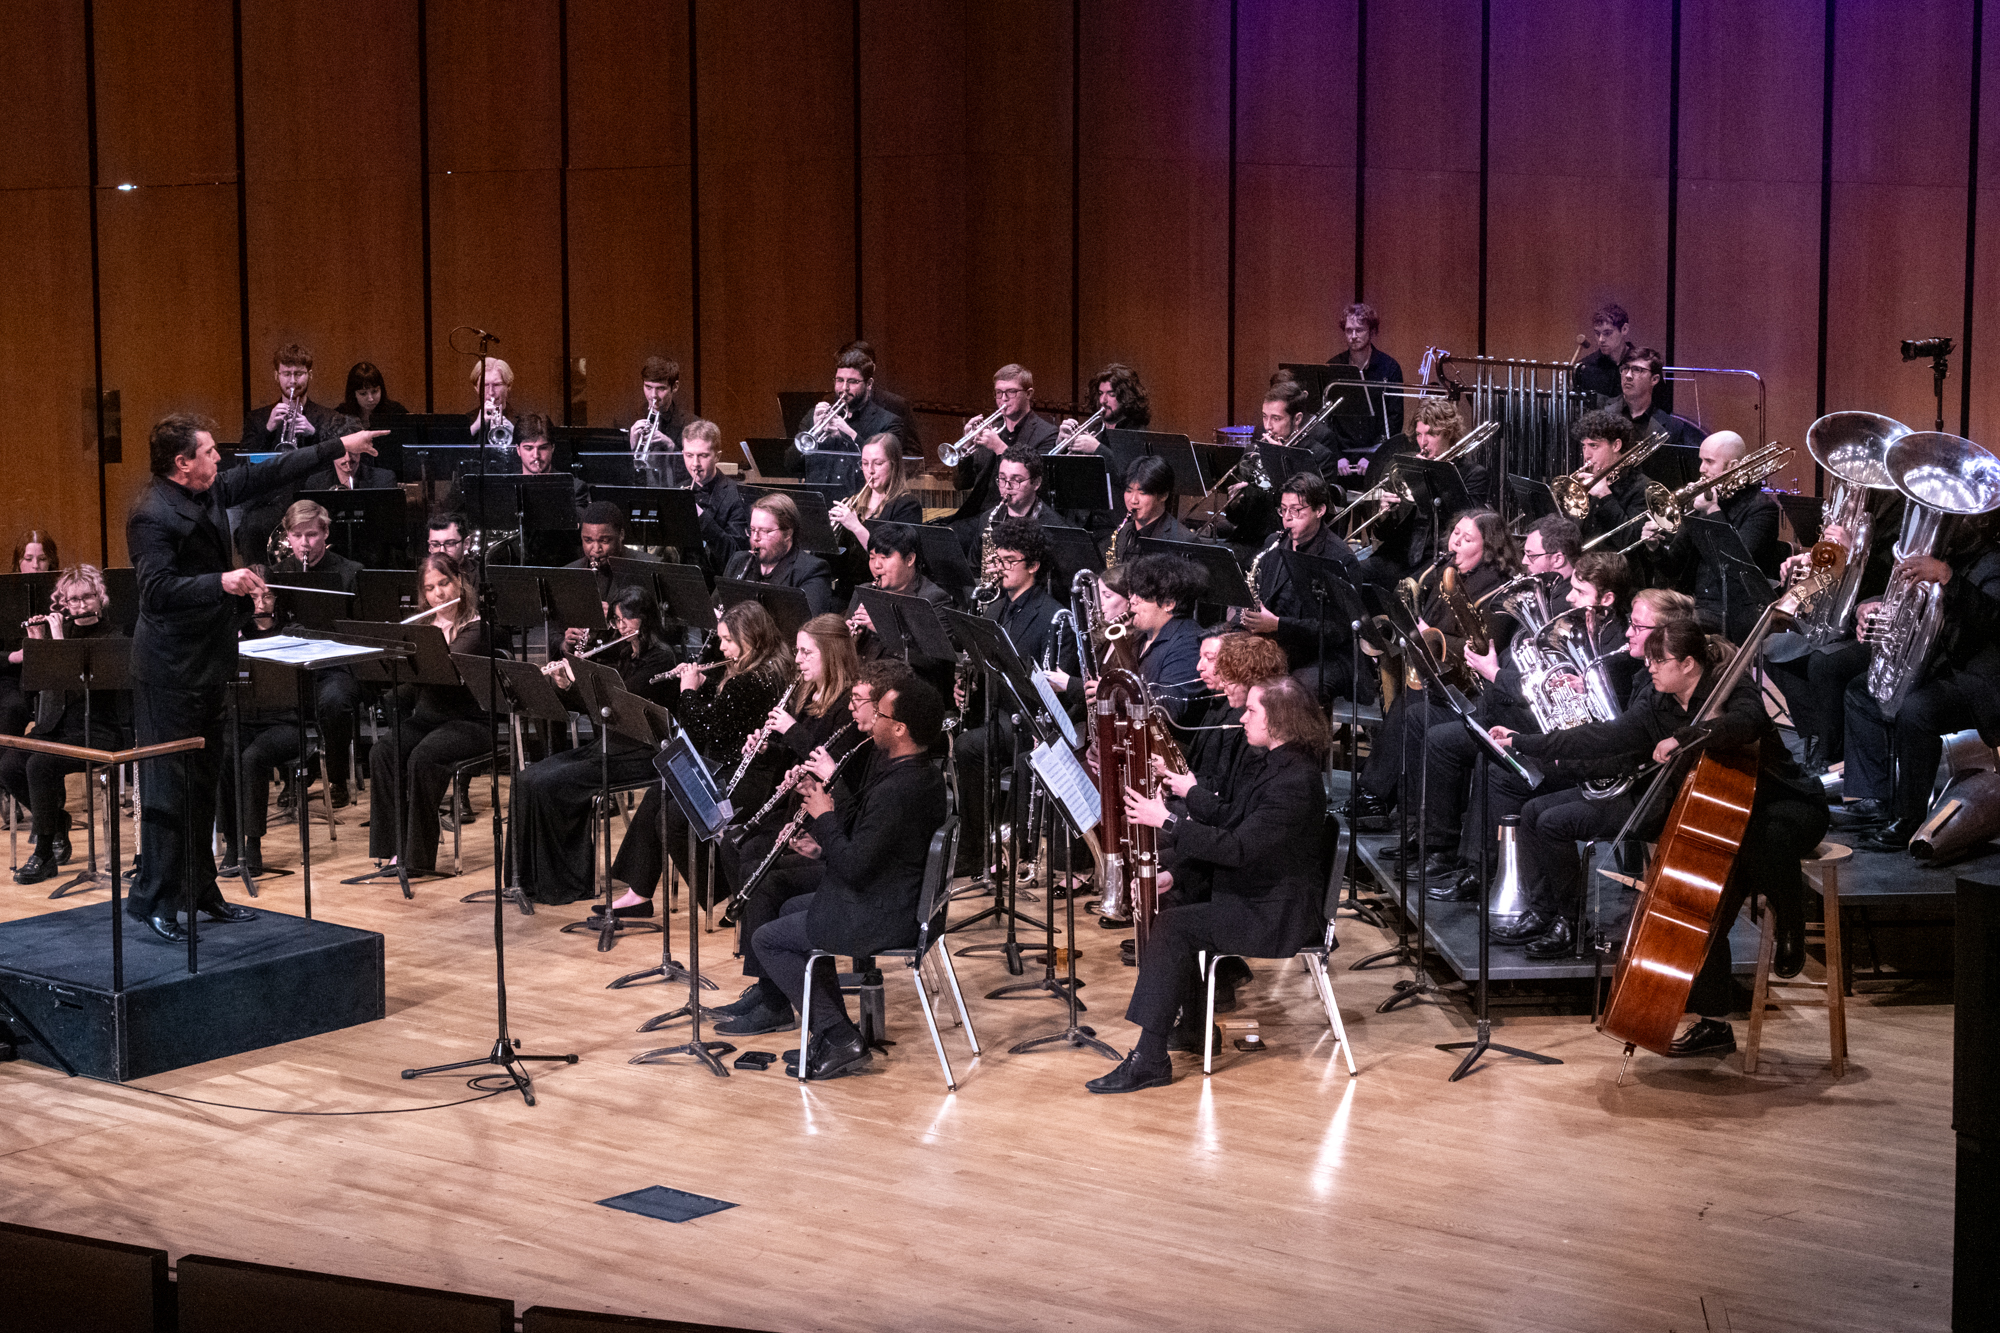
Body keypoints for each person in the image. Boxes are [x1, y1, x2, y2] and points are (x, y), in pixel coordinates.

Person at [1494, 618, 1828, 1056]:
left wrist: (1684, 739)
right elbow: (1602, 737)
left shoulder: (1732, 689)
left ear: (1689, 664)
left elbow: (1743, 725)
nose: (1649, 668)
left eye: (1658, 661)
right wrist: (1524, 741)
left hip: (1782, 803)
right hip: (1718, 816)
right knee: (1701, 910)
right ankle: (1714, 1025)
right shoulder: (1657, 702)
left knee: (1764, 839)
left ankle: (1790, 921)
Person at [127, 412, 385, 942]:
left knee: (204, 780)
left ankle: (200, 890)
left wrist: (338, 444)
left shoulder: (211, 490)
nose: (219, 458)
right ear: (182, 463)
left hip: (208, 662)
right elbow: (154, 592)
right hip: (168, 670)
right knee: (168, 786)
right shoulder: (151, 515)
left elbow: (270, 470)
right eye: (208, 451)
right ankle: (155, 899)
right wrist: (220, 581)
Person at [1088, 676, 1331, 1092]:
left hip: (1276, 914)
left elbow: (1235, 848)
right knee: (1176, 901)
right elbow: (1229, 819)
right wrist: (1175, 874)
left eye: (1253, 710)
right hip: (1263, 893)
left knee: (1173, 928)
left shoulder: (1294, 782)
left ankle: (1149, 1059)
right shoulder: (1276, 763)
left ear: (1280, 720)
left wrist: (1166, 819)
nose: (1242, 717)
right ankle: (1196, 1028)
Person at [746, 674, 950, 1080]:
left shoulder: (899, 788)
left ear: (899, 728)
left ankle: (839, 1036)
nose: (872, 719)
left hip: (883, 911)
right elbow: (871, 842)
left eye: (881, 714)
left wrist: (824, 817)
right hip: (896, 897)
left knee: (767, 940)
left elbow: (855, 867)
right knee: (787, 907)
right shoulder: (916, 773)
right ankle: (834, 1032)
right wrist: (823, 825)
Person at [1420, 550, 1636, 898]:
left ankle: (1499, 877)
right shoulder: (1578, 627)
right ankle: (1478, 867)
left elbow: (1589, 712)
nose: (1568, 597)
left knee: (1503, 770)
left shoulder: (1617, 645)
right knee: (1490, 754)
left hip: (1586, 754)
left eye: (1580, 592)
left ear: (1608, 599)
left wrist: (1499, 677)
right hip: (1555, 736)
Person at [1488, 587, 1692, 953]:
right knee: (1533, 810)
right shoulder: (1639, 673)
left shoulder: (1657, 687)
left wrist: (1533, 745)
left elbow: (1612, 740)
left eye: (1638, 626)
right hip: (1628, 780)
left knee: (1553, 822)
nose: (1628, 633)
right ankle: (1544, 910)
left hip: (1650, 797)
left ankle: (1571, 922)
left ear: (1665, 635)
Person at [705, 617, 871, 1028]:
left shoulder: (849, 707)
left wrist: (793, 732)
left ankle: (773, 996)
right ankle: (767, 984)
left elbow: (837, 768)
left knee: (758, 865)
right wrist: (764, 749)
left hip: (831, 817)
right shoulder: (808, 695)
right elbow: (797, 760)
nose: (796, 660)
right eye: (796, 650)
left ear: (830, 654)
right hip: (804, 807)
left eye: (805, 652)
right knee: (738, 846)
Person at [606, 601, 793, 915]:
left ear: (752, 638)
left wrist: (687, 691)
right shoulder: (767, 667)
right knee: (659, 791)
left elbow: (704, 730)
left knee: (672, 817)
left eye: (729, 641)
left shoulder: (747, 680)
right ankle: (639, 892)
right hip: (731, 764)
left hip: (743, 774)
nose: (721, 648)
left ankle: (728, 890)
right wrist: (705, 686)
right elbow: (728, 715)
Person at [1343, 510, 1519, 831]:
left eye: (1467, 539)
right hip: (1436, 672)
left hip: (1468, 685)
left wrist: (1426, 632)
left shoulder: (1497, 590)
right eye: (1455, 534)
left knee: (1410, 709)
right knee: (1406, 706)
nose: (1456, 543)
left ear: (1489, 548)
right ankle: (1385, 799)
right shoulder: (1446, 573)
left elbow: (1483, 647)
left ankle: (1380, 797)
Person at [509, 585, 680, 905]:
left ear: (643, 620)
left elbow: (621, 710)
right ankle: (526, 878)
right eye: (615, 621)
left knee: (551, 784)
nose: (617, 628)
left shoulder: (661, 658)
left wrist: (579, 682)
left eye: (623, 620)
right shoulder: (625, 653)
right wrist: (566, 686)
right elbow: (599, 712)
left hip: (641, 753)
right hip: (610, 745)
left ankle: (565, 882)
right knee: (526, 779)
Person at [1837, 517, 2000, 851]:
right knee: (1862, 691)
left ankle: (1908, 818)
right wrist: (1870, 609)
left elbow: (1992, 621)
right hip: (1943, 667)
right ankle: (1874, 799)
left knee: (1916, 710)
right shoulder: (1946, 554)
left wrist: (1947, 578)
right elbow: (1903, 596)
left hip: (1983, 679)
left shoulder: (1993, 560)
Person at [951, 518, 1083, 876]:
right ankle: (980, 843)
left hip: (1031, 722)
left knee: (969, 746)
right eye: (998, 560)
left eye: (1010, 561)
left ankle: (989, 848)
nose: (1001, 569)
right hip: (998, 713)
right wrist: (968, 686)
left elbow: (1053, 693)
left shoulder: (1056, 617)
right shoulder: (995, 609)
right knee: (963, 740)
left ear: (1034, 566)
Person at [366, 555, 493, 877]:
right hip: (428, 718)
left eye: (444, 583)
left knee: (422, 758)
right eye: (430, 588)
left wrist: (414, 650)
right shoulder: (424, 627)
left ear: (459, 582)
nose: (438, 593)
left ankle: (417, 857)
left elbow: (446, 667)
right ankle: (394, 849)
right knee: (383, 751)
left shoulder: (476, 628)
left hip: (468, 722)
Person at [2, 565, 128, 884]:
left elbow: (83, 688)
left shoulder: (113, 637)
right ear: (64, 604)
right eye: (73, 600)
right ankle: (57, 822)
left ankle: (44, 854)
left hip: (95, 732)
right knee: (9, 765)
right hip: (56, 729)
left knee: (40, 765)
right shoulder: (62, 633)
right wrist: (37, 646)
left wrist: (57, 643)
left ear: (101, 598)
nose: (81, 605)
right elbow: (30, 692)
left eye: (88, 597)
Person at [268, 500, 365, 807]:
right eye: (297, 536)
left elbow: (361, 630)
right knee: (270, 700)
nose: (304, 543)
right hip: (290, 664)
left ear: (325, 532)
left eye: (311, 534)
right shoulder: (277, 574)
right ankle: (295, 775)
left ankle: (335, 778)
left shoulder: (350, 573)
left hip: (335, 664)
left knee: (335, 702)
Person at [1642, 430, 1782, 642]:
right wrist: (1655, 548)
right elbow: (1674, 566)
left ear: (1733, 466)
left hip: (1735, 610)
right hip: (1694, 603)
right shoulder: (1701, 501)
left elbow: (1733, 567)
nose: (1701, 469)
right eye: (1701, 461)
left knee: (1660, 630)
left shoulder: (1762, 509)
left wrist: (1712, 511)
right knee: (1641, 616)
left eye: (1709, 461)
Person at [1237, 471, 1360, 691]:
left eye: (1296, 510)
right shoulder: (1274, 542)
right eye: (1283, 510)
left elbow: (1337, 631)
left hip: (1322, 653)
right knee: (1219, 651)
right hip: (1276, 639)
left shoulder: (1340, 558)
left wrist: (1277, 624)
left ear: (1319, 510)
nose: (1287, 518)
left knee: (1290, 688)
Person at [216, 577, 302, 877]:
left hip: (285, 723)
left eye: (267, 597)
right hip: (243, 719)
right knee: (224, 752)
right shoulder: (234, 635)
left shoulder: (293, 633)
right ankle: (232, 842)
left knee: (252, 758)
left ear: (277, 599)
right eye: (253, 597)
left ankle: (253, 844)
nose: (260, 604)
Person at [236, 343, 346, 561]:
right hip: (271, 501)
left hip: (314, 500)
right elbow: (243, 465)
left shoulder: (328, 418)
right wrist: (268, 429)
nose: (293, 381)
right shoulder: (257, 419)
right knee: (251, 527)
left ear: (310, 375)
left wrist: (313, 433)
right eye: (287, 373)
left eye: (299, 374)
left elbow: (339, 460)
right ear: (276, 375)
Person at [951, 363, 1059, 520]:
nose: (1003, 399)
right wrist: (965, 449)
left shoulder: (1047, 434)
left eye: (1011, 392)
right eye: (999, 393)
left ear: (1029, 394)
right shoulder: (990, 431)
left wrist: (1000, 448)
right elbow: (962, 484)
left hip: (1018, 518)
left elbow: (1040, 487)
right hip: (980, 514)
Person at [845, 524, 954, 672]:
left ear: (909, 559)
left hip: (911, 686)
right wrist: (847, 638)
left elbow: (935, 662)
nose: (876, 565)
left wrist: (884, 629)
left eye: (884, 557)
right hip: (865, 679)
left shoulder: (934, 599)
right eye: (872, 557)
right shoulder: (863, 592)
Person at [789, 349, 904, 485]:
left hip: (861, 502)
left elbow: (886, 471)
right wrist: (814, 428)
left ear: (869, 384)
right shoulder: (815, 415)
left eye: (853, 381)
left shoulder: (889, 422)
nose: (844, 388)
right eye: (839, 380)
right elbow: (790, 466)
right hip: (819, 499)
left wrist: (849, 434)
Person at [724, 493, 835, 616]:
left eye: (765, 531)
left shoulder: (812, 571)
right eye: (752, 530)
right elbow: (717, 608)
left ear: (787, 534)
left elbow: (808, 628)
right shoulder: (738, 561)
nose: (755, 538)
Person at [3, 530, 60, 738]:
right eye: (28, 559)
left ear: (51, 562)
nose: (35, 565)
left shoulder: (62, 596)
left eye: (42, 559)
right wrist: (15, 656)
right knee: (12, 708)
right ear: (18, 562)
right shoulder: (5, 597)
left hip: (51, 673)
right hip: (12, 675)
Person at [1567, 409, 1653, 547]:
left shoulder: (1642, 487)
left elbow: (1632, 542)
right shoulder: (1586, 481)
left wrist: (1605, 496)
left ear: (1616, 445)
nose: (1587, 455)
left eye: (1594, 446)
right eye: (1584, 446)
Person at [1327, 302, 1404, 450]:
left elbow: (1395, 418)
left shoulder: (1390, 367)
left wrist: (1376, 454)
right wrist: (1337, 456)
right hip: (1341, 452)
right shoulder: (1334, 366)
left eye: (1359, 330)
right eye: (1349, 331)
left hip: (1376, 451)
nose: (1353, 336)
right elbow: (1327, 418)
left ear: (1372, 331)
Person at [681, 419, 749, 576]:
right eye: (689, 455)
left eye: (703, 455)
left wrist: (700, 516)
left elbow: (736, 556)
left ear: (717, 457)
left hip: (717, 581)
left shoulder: (736, 496)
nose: (694, 464)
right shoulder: (677, 490)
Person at [1102, 455, 1199, 562]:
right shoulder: (1123, 532)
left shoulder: (1184, 540)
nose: (1133, 500)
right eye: (1129, 491)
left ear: (1163, 495)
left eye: (1142, 493)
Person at [840, 339, 921, 453]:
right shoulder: (829, 402)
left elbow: (913, 455)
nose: (844, 387)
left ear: (871, 368)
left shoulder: (896, 404)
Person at [1613, 346, 1700, 449]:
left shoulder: (1673, 427)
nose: (1628, 375)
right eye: (1625, 368)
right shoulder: (1602, 411)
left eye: (1637, 370)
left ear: (1654, 379)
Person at [1055, 362, 1151, 455]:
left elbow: (1128, 468)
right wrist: (1062, 443)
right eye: (1100, 393)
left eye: (1111, 394)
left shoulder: (1136, 431)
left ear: (1126, 397)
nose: (1102, 400)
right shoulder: (1096, 427)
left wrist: (1097, 449)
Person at [626, 355, 690, 487]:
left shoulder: (691, 424)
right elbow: (614, 473)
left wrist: (671, 447)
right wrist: (631, 446)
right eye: (648, 387)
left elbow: (696, 474)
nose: (653, 395)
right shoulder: (628, 419)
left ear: (675, 386)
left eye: (661, 388)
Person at [1572, 303, 1635, 403]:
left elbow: (1661, 409)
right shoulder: (1584, 368)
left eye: (1607, 333)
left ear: (1624, 329)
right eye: (1597, 333)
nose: (1601, 339)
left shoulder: (1644, 366)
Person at [336, 361, 409, 427]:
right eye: (363, 393)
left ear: (381, 389)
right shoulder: (340, 415)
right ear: (353, 394)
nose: (370, 399)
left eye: (374, 391)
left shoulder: (396, 412)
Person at [468, 356, 517, 447]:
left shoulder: (523, 421)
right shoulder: (466, 421)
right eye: (485, 385)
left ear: (509, 386)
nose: (491, 392)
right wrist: (475, 427)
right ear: (476, 388)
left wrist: (516, 432)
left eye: (497, 385)